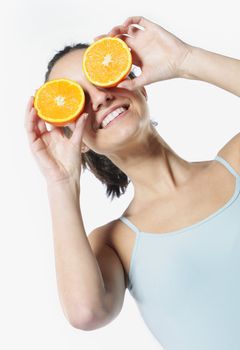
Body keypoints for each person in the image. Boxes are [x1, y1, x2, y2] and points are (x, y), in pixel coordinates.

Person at [24, 15, 240, 350]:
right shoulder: (115, 242)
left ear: (135, 81)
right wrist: (61, 183)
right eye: (77, 101)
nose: (99, 99)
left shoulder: (235, 163)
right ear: (78, 141)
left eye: (102, 78)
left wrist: (186, 61)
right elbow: (86, 313)